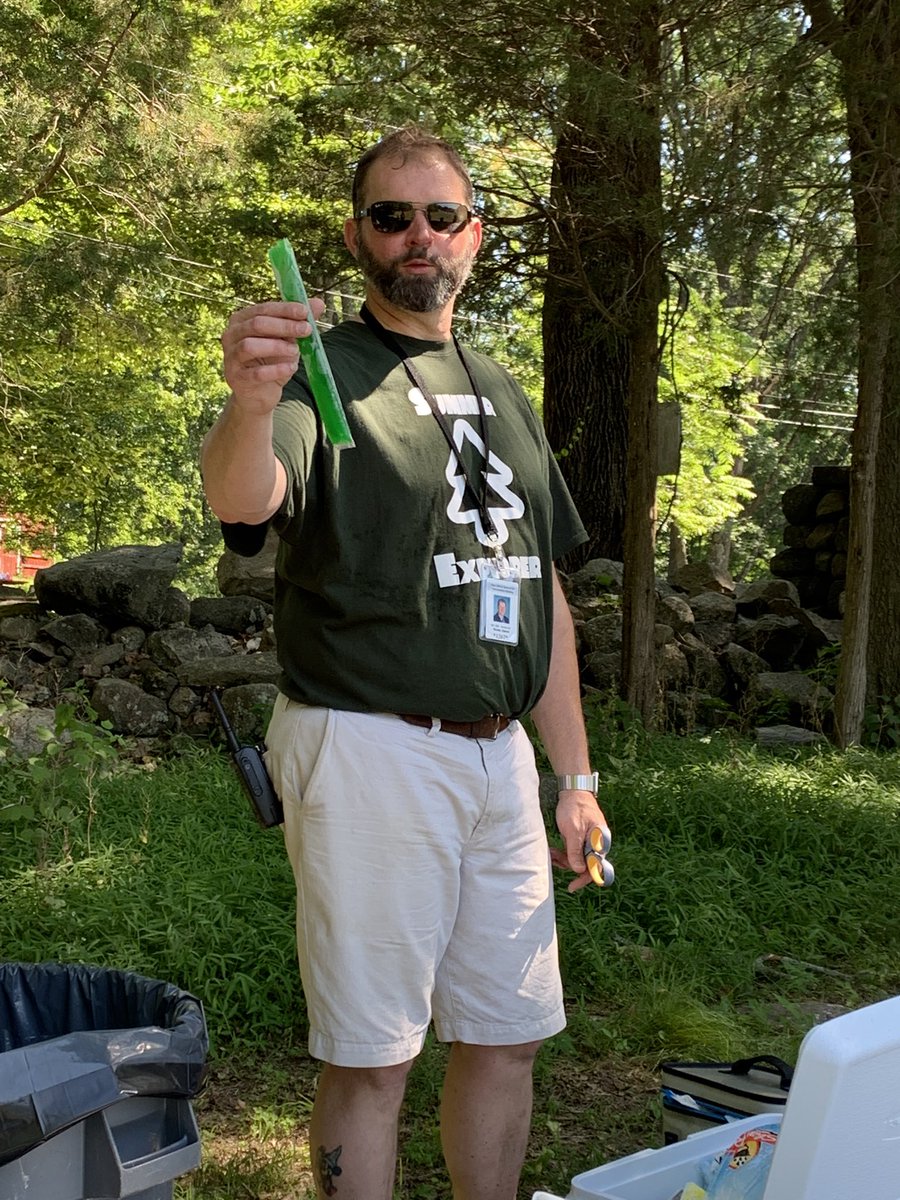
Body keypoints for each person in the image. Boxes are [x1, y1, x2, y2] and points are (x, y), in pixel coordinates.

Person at [201, 126, 610, 1200]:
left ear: (473, 236)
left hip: (500, 762)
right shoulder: (320, 375)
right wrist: (249, 400)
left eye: (439, 215)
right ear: (357, 236)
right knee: (376, 1053)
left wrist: (574, 777)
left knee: (510, 1033)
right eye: (391, 215)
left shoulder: (503, 389)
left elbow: (544, 593)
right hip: (370, 745)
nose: (416, 235)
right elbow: (246, 500)